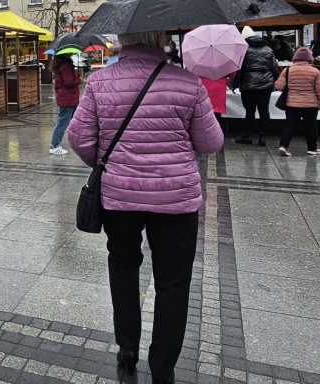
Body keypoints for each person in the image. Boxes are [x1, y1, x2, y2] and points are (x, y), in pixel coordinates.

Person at [66, 30, 223, 383]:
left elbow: (78, 136)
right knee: (173, 282)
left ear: (123, 36)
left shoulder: (99, 81)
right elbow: (211, 143)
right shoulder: (188, 82)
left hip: (120, 197)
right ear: (160, 37)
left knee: (123, 267)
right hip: (176, 199)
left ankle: (127, 351)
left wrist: (107, 163)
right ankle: (163, 368)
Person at [275, 47, 320, 156]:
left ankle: (284, 146)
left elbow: (279, 86)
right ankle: (312, 148)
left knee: (289, 125)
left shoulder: (288, 70)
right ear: (310, 59)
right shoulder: (315, 71)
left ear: (295, 58)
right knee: (311, 126)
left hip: (292, 104)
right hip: (311, 105)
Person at [233, 27, 280, 146]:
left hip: (249, 84)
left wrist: (235, 84)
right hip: (266, 85)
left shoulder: (244, 50)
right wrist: (276, 82)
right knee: (264, 110)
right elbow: (274, 68)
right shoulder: (268, 49)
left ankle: (248, 136)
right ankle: (262, 137)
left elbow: (240, 70)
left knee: (250, 111)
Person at [49, 54, 80, 155]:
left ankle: (78, 141)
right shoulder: (65, 65)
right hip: (67, 98)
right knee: (62, 123)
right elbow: (69, 82)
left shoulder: (63, 63)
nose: (72, 52)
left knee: (76, 121)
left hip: (69, 98)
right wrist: (78, 79)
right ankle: (54, 145)